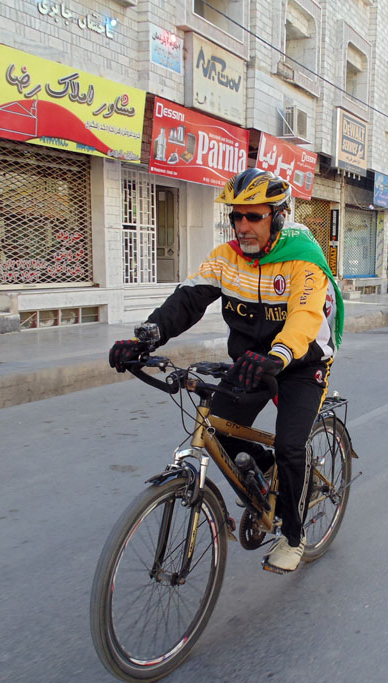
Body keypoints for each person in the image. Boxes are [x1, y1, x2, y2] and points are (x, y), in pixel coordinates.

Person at [108, 168, 344, 575]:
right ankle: (267, 472)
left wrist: (279, 355)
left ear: (278, 216)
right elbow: (186, 301)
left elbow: (304, 317)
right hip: (253, 362)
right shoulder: (226, 259)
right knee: (218, 427)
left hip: (301, 363)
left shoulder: (302, 260)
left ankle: (293, 534)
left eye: (253, 216)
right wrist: (146, 337)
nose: (242, 226)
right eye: (236, 216)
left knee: (290, 447)